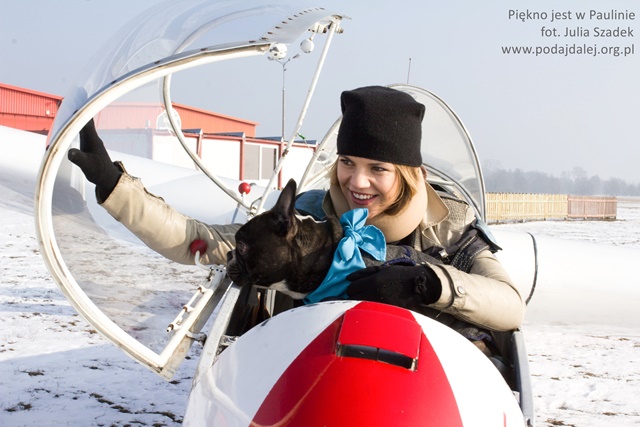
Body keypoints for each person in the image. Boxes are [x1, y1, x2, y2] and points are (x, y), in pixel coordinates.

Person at [68, 86, 524, 338]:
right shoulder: (306, 218)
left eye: (378, 168)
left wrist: (428, 282)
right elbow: (197, 241)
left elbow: (509, 306)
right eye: (347, 162)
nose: (357, 181)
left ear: (408, 173)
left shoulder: (449, 229)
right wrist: (113, 185)